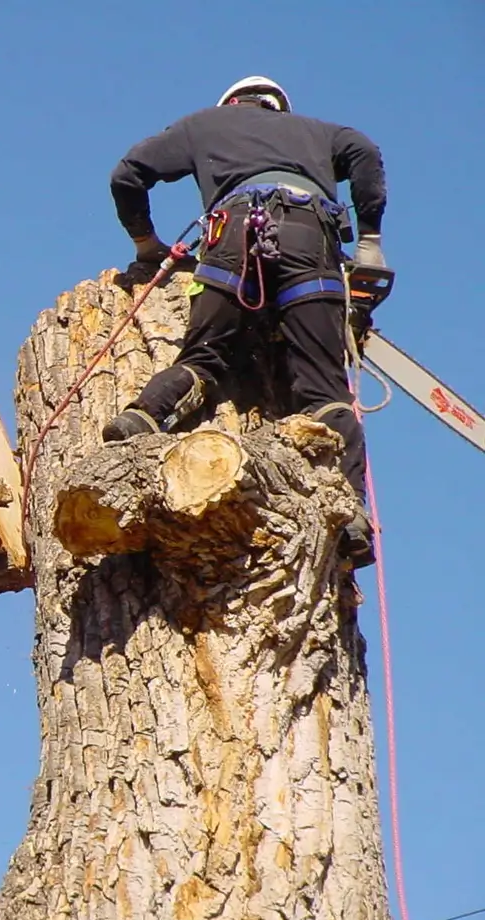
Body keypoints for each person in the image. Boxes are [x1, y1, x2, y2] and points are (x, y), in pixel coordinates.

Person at [103, 76, 387, 567]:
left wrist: (146, 244)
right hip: (310, 240)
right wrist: (369, 241)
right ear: (279, 108)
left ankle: (141, 417)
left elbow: (126, 175)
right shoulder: (320, 132)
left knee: (203, 359)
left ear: (231, 103)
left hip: (231, 236)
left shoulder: (203, 125)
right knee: (325, 391)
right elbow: (364, 152)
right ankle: (349, 515)